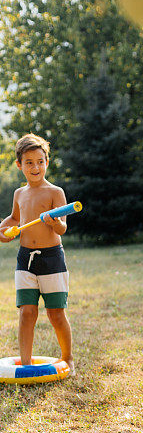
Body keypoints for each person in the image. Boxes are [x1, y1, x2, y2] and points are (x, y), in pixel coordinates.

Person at [0, 133, 75, 375]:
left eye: (40, 161)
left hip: (52, 258)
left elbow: (63, 227)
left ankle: (68, 358)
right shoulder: (19, 194)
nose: (35, 167)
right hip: (25, 259)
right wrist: (4, 229)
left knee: (55, 313)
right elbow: (14, 218)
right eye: (29, 162)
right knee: (27, 312)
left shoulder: (55, 192)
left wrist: (54, 222)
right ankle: (26, 366)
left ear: (47, 162)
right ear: (19, 165)